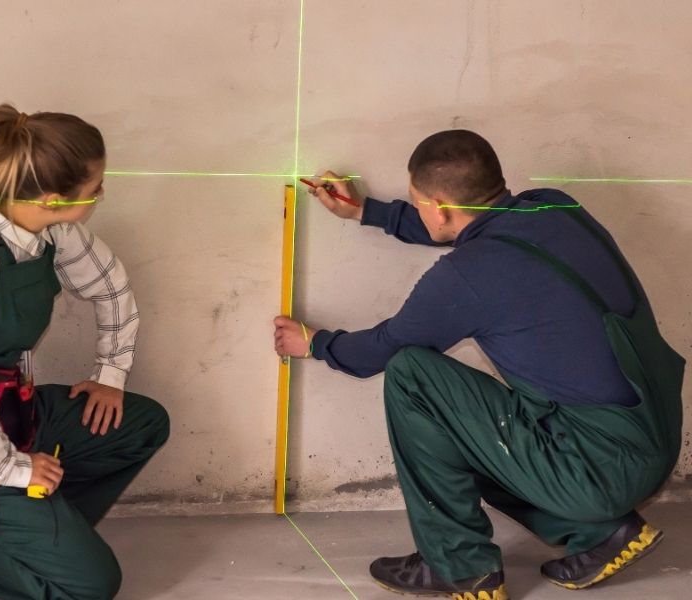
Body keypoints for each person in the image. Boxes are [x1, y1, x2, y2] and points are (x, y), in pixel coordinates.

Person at [274, 130, 684, 600]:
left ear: (441, 207)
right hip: (653, 438)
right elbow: (474, 228)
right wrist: (367, 211)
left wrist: (317, 343)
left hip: (596, 469)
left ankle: (459, 567)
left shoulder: (466, 277)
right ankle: (605, 535)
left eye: (419, 202)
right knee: (474, 424)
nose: (420, 209)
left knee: (413, 376)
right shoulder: (553, 205)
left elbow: (382, 350)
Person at [0, 104, 170, 599]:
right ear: (53, 197)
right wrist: (12, 469)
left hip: (13, 413)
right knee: (92, 586)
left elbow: (111, 287)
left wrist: (110, 372)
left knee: (143, 423)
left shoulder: (52, 228)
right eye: (95, 189)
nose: (101, 194)